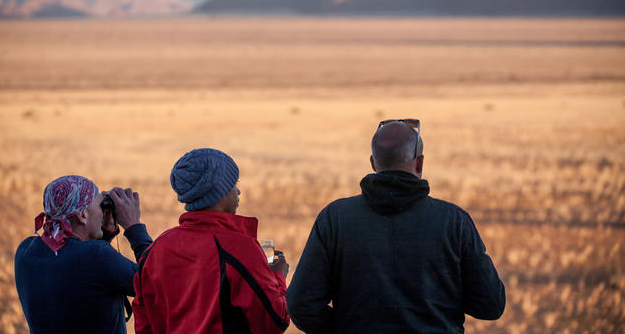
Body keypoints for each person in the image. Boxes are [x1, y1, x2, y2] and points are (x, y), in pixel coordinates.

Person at [287, 119, 505, 333]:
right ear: (419, 163)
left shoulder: (334, 219)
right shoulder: (455, 222)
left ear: (373, 163)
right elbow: (491, 305)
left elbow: (300, 304)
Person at [132, 148, 290, 334]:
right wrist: (277, 276)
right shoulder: (240, 248)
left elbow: (144, 325)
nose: (238, 191)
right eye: (234, 184)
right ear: (219, 193)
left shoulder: (155, 250)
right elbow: (275, 321)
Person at [15, 175, 153, 334]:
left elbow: (82, 270)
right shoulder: (97, 256)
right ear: (82, 215)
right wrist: (133, 226)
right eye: (101, 206)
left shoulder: (25, 251)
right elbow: (156, 282)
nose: (103, 212)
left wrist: (105, 232)